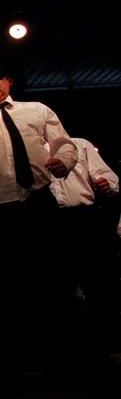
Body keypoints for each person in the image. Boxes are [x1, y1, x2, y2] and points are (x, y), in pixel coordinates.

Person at [0, 52, 78, 378]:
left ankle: (59, 358)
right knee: (1, 289)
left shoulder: (37, 110)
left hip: (37, 204)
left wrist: (64, 161)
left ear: (9, 80)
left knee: (50, 282)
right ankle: (10, 364)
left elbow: (65, 144)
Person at [49, 137, 120, 367]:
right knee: (60, 291)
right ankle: (70, 355)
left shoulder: (79, 144)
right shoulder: (27, 149)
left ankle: (103, 350)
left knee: (99, 286)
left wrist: (106, 185)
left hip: (85, 218)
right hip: (50, 222)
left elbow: (108, 175)